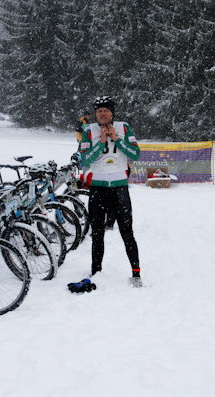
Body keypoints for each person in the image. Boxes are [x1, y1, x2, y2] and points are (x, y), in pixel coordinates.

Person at [80, 96, 142, 287]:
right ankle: (96, 270)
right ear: (95, 114)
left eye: (106, 110)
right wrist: (101, 143)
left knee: (127, 231)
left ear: (112, 113)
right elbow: (84, 161)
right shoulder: (89, 130)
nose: (102, 114)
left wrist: (117, 139)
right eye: (99, 111)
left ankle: (136, 272)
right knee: (97, 232)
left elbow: (136, 154)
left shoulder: (124, 127)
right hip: (98, 187)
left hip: (119, 187)